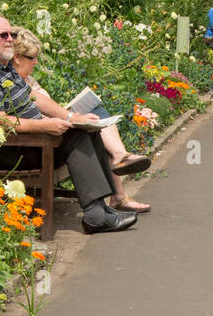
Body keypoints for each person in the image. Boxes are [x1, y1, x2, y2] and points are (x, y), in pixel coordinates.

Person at [0, 12, 135, 234]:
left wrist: (73, 117)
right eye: (3, 35)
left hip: (30, 140)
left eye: (11, 34)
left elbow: (35, 97)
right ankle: (95, 215)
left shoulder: (3, 69)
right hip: (10, 149)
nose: (10, 39)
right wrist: (44, 126)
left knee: (88, 129)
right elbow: (0, 120)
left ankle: (101, 208)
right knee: (77, 136)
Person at [10, 27, 152, 215]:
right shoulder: (13, 83)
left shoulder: (28, 80)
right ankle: (117, 190)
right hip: (42, 139)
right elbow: (24, 117)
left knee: (97, 114)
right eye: (32, 57)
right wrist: (66, 117)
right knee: (93, 127)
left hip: (52, 127)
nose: (36, 62)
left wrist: (68, 113)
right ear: (17, 57)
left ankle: (120, 161)